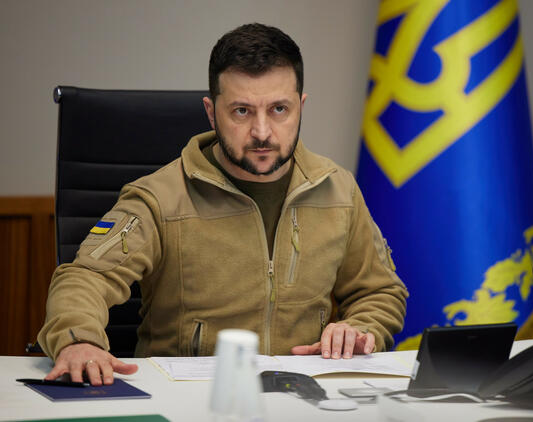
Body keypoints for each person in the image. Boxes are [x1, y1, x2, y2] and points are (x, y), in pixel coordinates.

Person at [38, 23, 408, 386]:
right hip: (184, 398)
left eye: (279, 109)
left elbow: (379, 291)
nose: (262, 132)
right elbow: (86, 278)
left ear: (301, 107)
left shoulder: (338, 191)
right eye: (242, 111)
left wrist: (360, 329)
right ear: (211, 112)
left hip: (299, 395)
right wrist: (78, 340)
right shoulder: (159, 198)